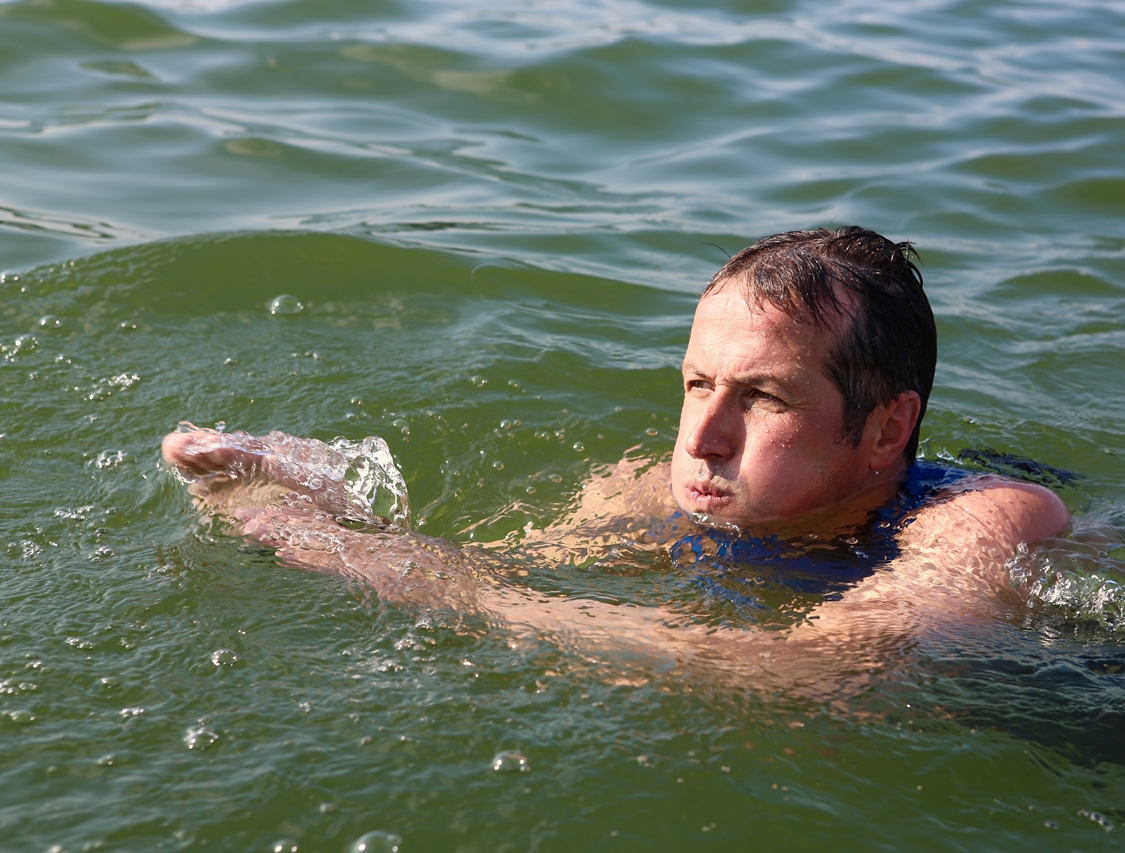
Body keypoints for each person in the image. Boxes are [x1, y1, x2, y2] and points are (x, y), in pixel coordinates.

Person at [161, 227, 1068, 687]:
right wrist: (314, 510)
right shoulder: (663, 486)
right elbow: (505, 568)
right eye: (696, 384)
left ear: (885, 429)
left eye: (764, 397)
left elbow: (809, 675)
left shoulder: (993, 521)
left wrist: (463, 595)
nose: (702, 438)